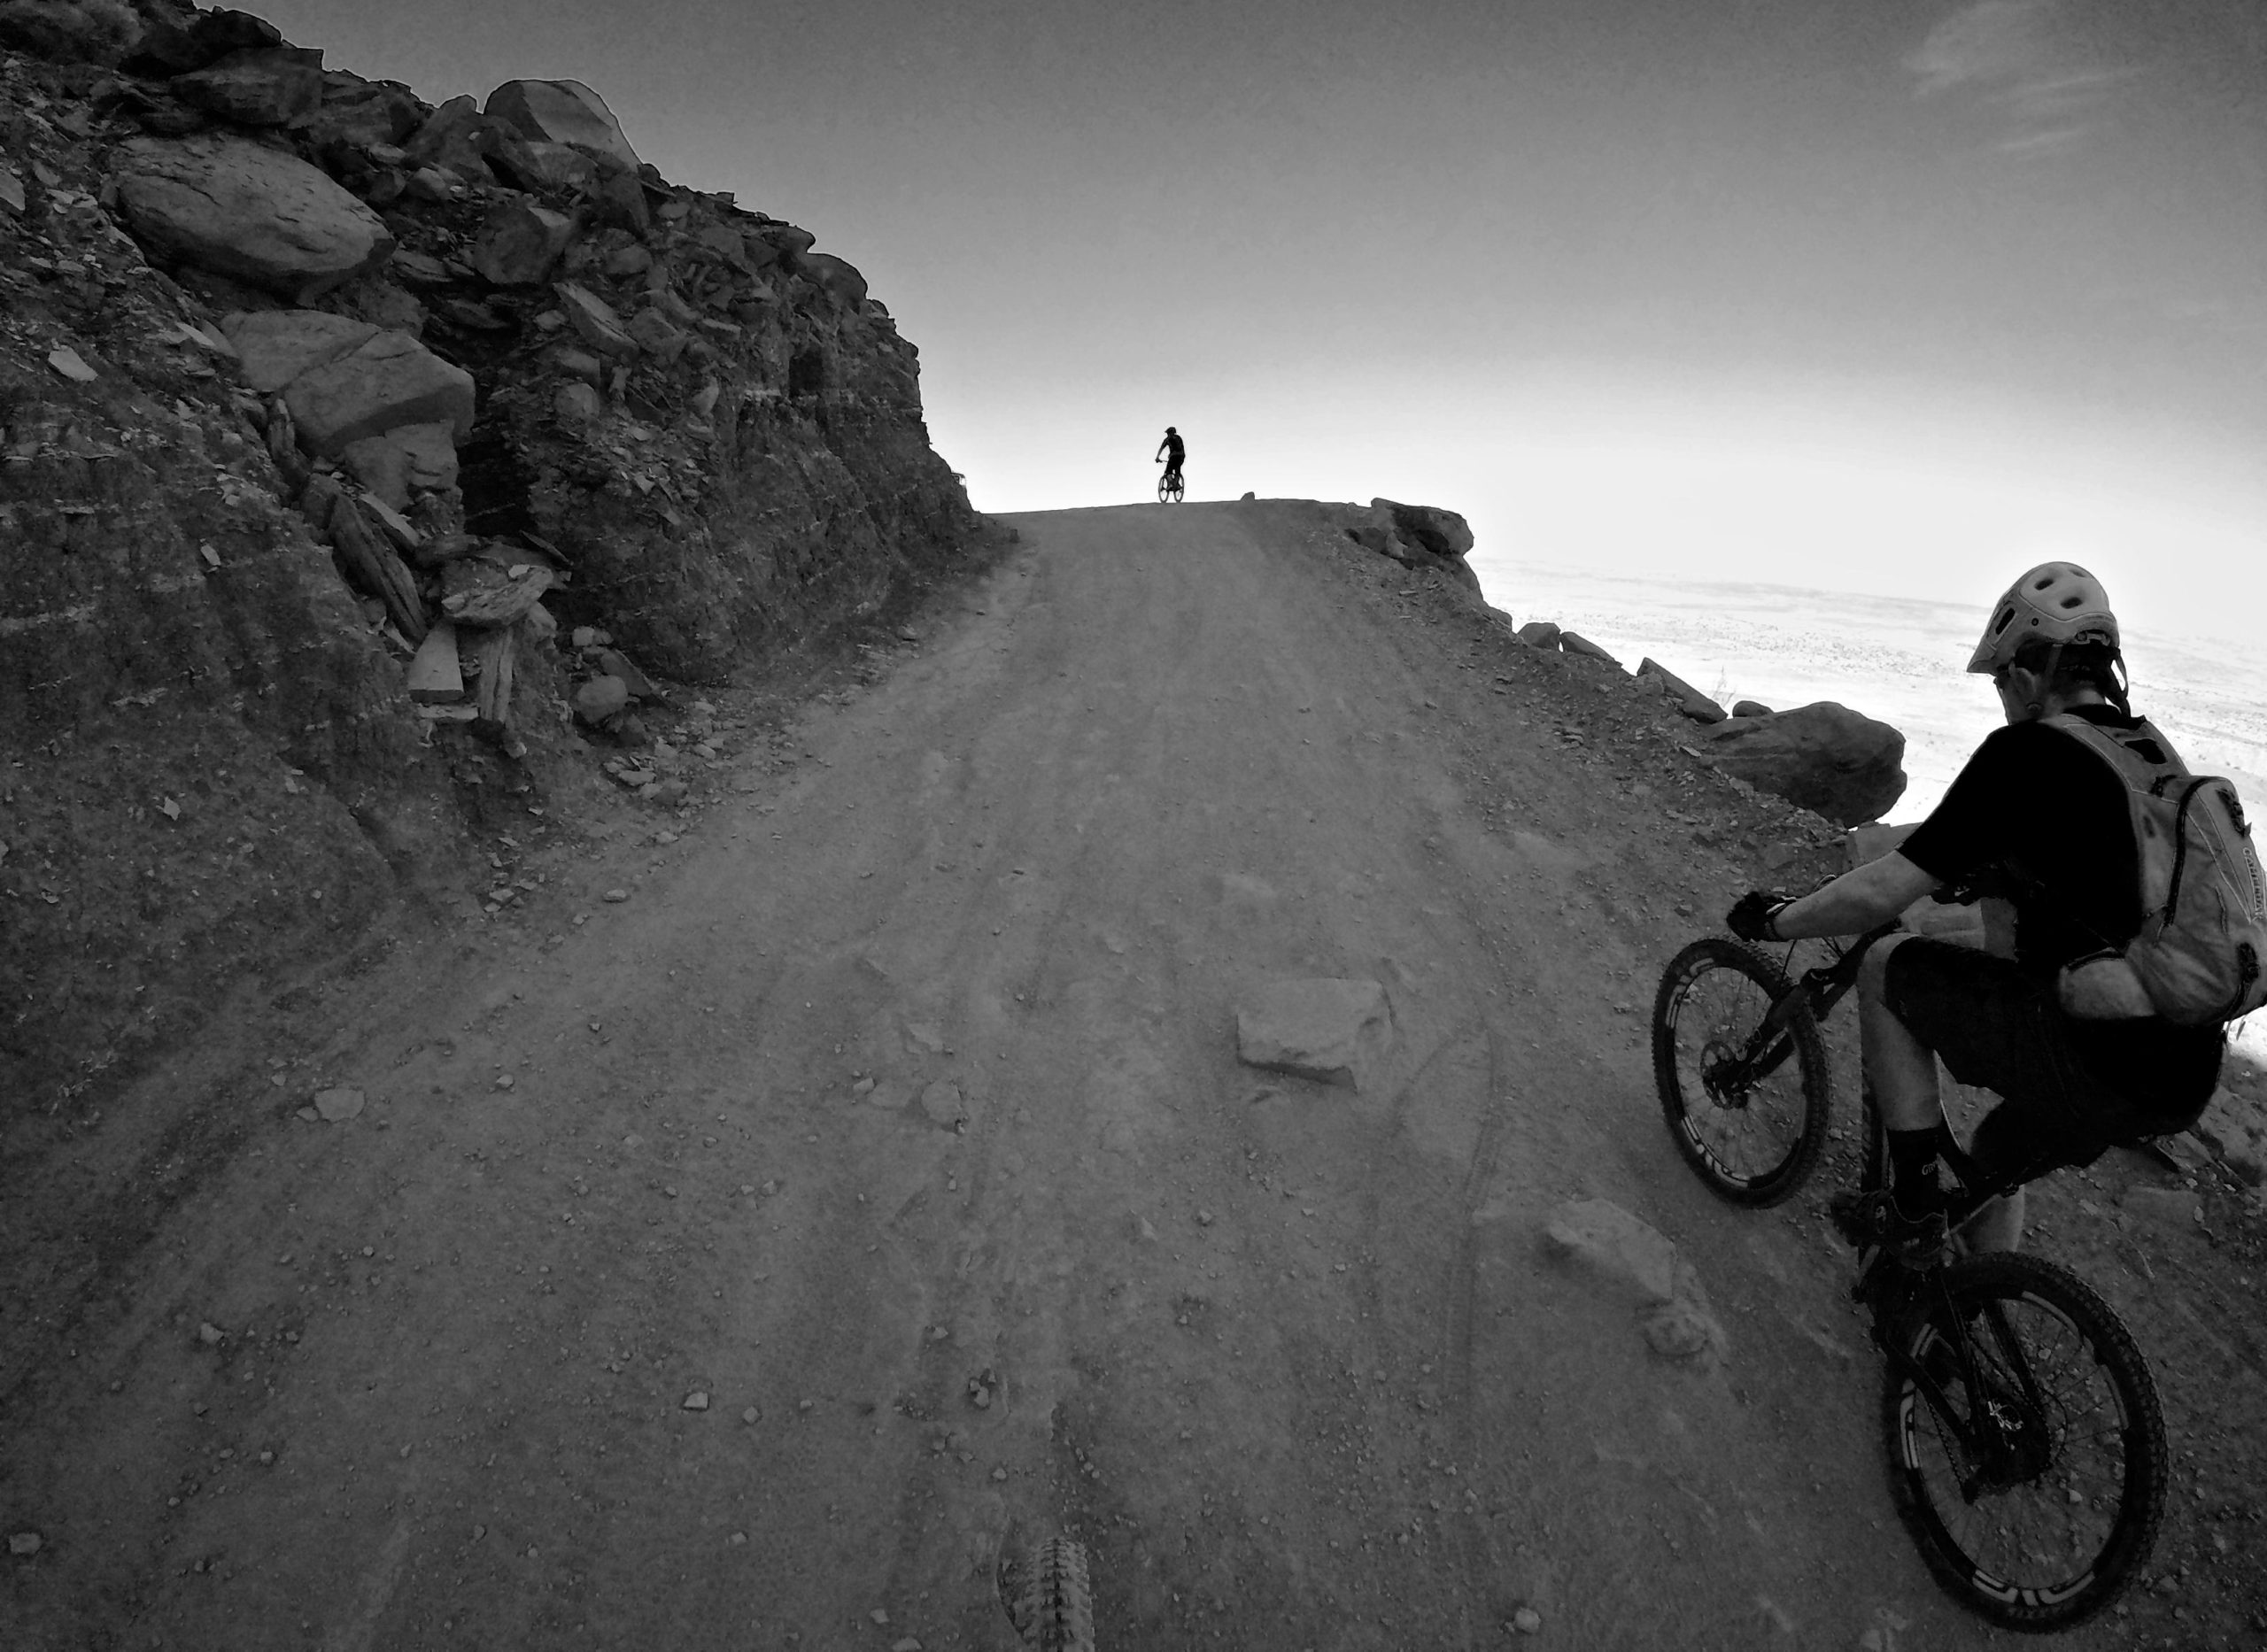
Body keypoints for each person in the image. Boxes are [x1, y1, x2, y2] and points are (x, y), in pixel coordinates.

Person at [1725, 561, 2225, 1253]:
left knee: (1885, 962)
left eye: (1998, 680)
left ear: (2024, 673)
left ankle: (1908, 1209)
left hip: (2097, 1054)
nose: (2000, 695)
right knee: (1994, 1157)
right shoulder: (2149, 756)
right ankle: (1964, 1320)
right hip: (2182, 1068)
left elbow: (1882, 890)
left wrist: (1780, 919)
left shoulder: (2027, 754)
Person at [1155, 426, 1185, 490]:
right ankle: (1176, 484)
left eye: (1168, 433)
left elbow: (1161, 448)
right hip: (1181, 457)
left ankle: (1171, 484)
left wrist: (1157, 457)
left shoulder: (1167, 439)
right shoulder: (1179, 437)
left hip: (1173, 456)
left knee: (1168, 471)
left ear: (1169, 433)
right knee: (1177, 470)